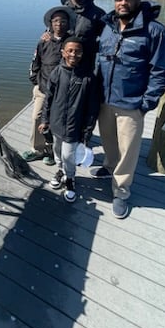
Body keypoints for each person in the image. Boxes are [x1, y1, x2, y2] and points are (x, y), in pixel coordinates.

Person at [91, 0, 165, 219]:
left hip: (132, 104)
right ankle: (109, 167)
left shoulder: (156, 31)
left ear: (137, 1)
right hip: (105, 99)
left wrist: (146, 103)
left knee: (128, 150)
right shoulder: (108, 27)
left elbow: (162, 72)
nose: (123, 3)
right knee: (109, 141)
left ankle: (121, 191)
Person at [39, 36, 99, 203]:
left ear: (83, 54)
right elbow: (48, 99)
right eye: (70, 50)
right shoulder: (56, 72)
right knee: (57, 152)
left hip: (75, 127)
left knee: (68, 155)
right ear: (63, 52)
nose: (74, 54)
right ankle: (60, 171)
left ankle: (70, 178)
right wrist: (45, 120)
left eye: (77, 51)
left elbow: (92, 108)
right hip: (56, 124)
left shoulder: (88, 77)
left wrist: (87, 131)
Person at [22, 6, 74, 165]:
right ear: (51, 23)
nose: (59, 24)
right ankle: (38, 149)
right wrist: (35, 81)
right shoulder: (43, 41)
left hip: (63, 91)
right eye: (56, 21)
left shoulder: (71, 42)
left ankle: (52, 151)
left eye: (63, 21)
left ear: (68, 23)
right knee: (37, 117)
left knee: (57, 120)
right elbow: (35, 63)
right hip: (43, 88)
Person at [59, 0, 106, 70]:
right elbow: (51, 34)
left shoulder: (98, 13)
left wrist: (88, 48)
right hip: (61, 64)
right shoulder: (61, 11)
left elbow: (107, 39)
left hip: (85, 66)